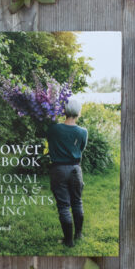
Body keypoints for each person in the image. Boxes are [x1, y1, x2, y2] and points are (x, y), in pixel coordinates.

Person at [46, 99, 88, 248]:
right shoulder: (83, 132)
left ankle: (68, 241)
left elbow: (49, 141)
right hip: (75, 169)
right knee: (77, 201)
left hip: (58, 169)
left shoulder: (53, 129)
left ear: (64, 111)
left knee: (64, 206)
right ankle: (79, 234)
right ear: (78, 112)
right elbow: (80, 149)